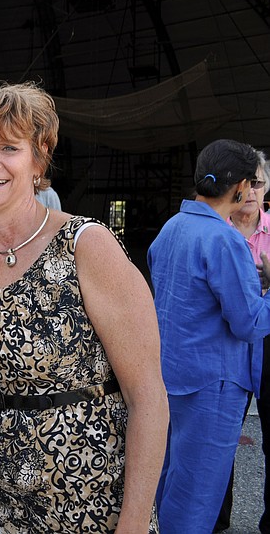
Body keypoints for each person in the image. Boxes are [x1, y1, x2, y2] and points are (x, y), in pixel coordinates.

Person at [0, 82, 168, 532]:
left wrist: (132, 523)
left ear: (38, 159)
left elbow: (147, 397)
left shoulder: (85, 245)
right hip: (0, 500)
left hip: (89, 497)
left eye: (8, 147)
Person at [148, 139, 270, 532]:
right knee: (197, 496)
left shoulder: (171, 228)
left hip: (172, 374)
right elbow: (249, 322)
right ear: (239, 187)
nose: (254, 191)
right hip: (214, 384)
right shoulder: (225, 239)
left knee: (166, 482)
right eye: (253, 183)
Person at [215, 149, 270, 533]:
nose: (251, 191)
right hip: (226, 351)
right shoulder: (215, 231)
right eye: (245, 182)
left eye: (259, 182)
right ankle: (217, 522)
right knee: (218, 445)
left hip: (267, 350)